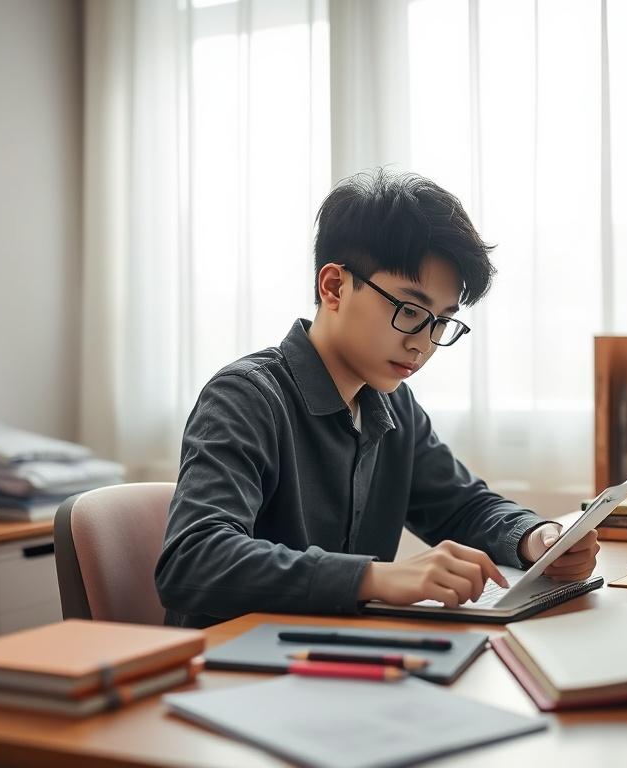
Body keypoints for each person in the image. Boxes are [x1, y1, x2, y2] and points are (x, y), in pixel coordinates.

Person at [155, 168, 599, 628]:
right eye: (409, 310)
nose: (423, 344)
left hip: (339, 658)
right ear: (334, 287)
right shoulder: (246, 398)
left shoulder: (392, 404)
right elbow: (192, 559)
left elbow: (463, 505)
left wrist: (537, 536)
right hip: (232, 672)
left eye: (441, 322)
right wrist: (375, 578)